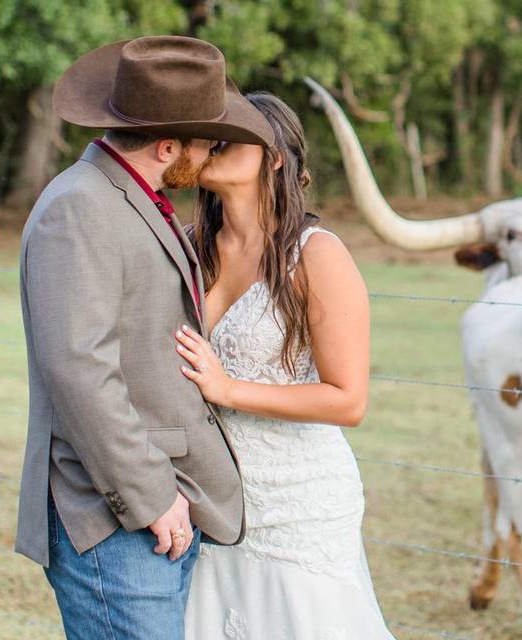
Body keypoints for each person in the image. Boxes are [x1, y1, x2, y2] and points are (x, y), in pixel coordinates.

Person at [16, 36, 277, 640]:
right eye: (204, 141)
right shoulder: (79, 208)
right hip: (115, 519)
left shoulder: (131, 200)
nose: (211, 152)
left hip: (154, 509)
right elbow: (79, 369)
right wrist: (152, 497)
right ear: (167, 146)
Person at [178, 91, 395, 638]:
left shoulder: (315, 254)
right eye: (210, 136)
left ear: (275, 157)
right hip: (212, 502)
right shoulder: (188, 247)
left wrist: (229, 389)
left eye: (232, 136)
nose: (212, 145)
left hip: (300, 505)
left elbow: (348, 399)